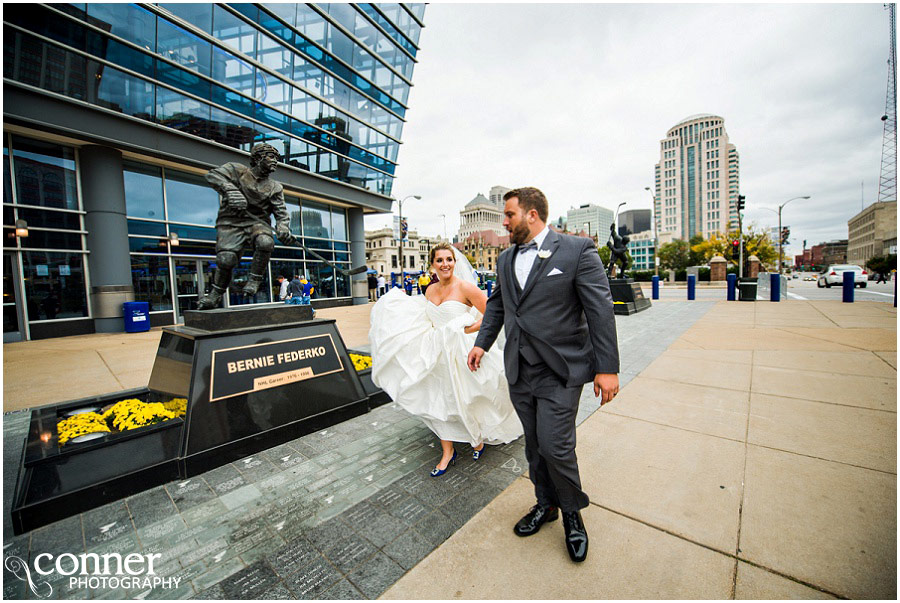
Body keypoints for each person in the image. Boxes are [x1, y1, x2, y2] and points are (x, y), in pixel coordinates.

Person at [467, 187, 620, 564]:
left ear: (532, 214)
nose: (504, 221)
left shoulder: (576, 250)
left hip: (562, 369)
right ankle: (545, 504)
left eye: (509, 215)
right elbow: (499, 305)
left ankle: (572, 512)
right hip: (520, 369)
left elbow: (599, 309)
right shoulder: (505, 259)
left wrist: (608, 368)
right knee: (535, 446)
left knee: (556, 446)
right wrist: (483, 344)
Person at [370, 243, 523, 477]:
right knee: (437, 401)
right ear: (433, 264)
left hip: (463, 352)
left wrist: (467, 330)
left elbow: (494, 315)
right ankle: (447, 452)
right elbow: (428, 320)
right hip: (436, 353)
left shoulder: (466, 288)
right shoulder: (429, 291)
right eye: (439, 260)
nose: (445, 264)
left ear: (455, 261)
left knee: (466, 399)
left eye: (449, 259)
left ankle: (476, 439)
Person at [198, 143, 295, 310]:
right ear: (258, 158)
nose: (275, 162)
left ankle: (255, 279)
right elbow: (212, 176)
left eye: (277, 159)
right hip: (231, 222)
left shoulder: (275, 187)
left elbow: (281, 212)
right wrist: (230, 190)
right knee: (226, 260)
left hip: (258, 222)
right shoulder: (236, 170)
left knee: (265, 242)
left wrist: (283, 227)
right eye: (271, 157)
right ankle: (215, 294)